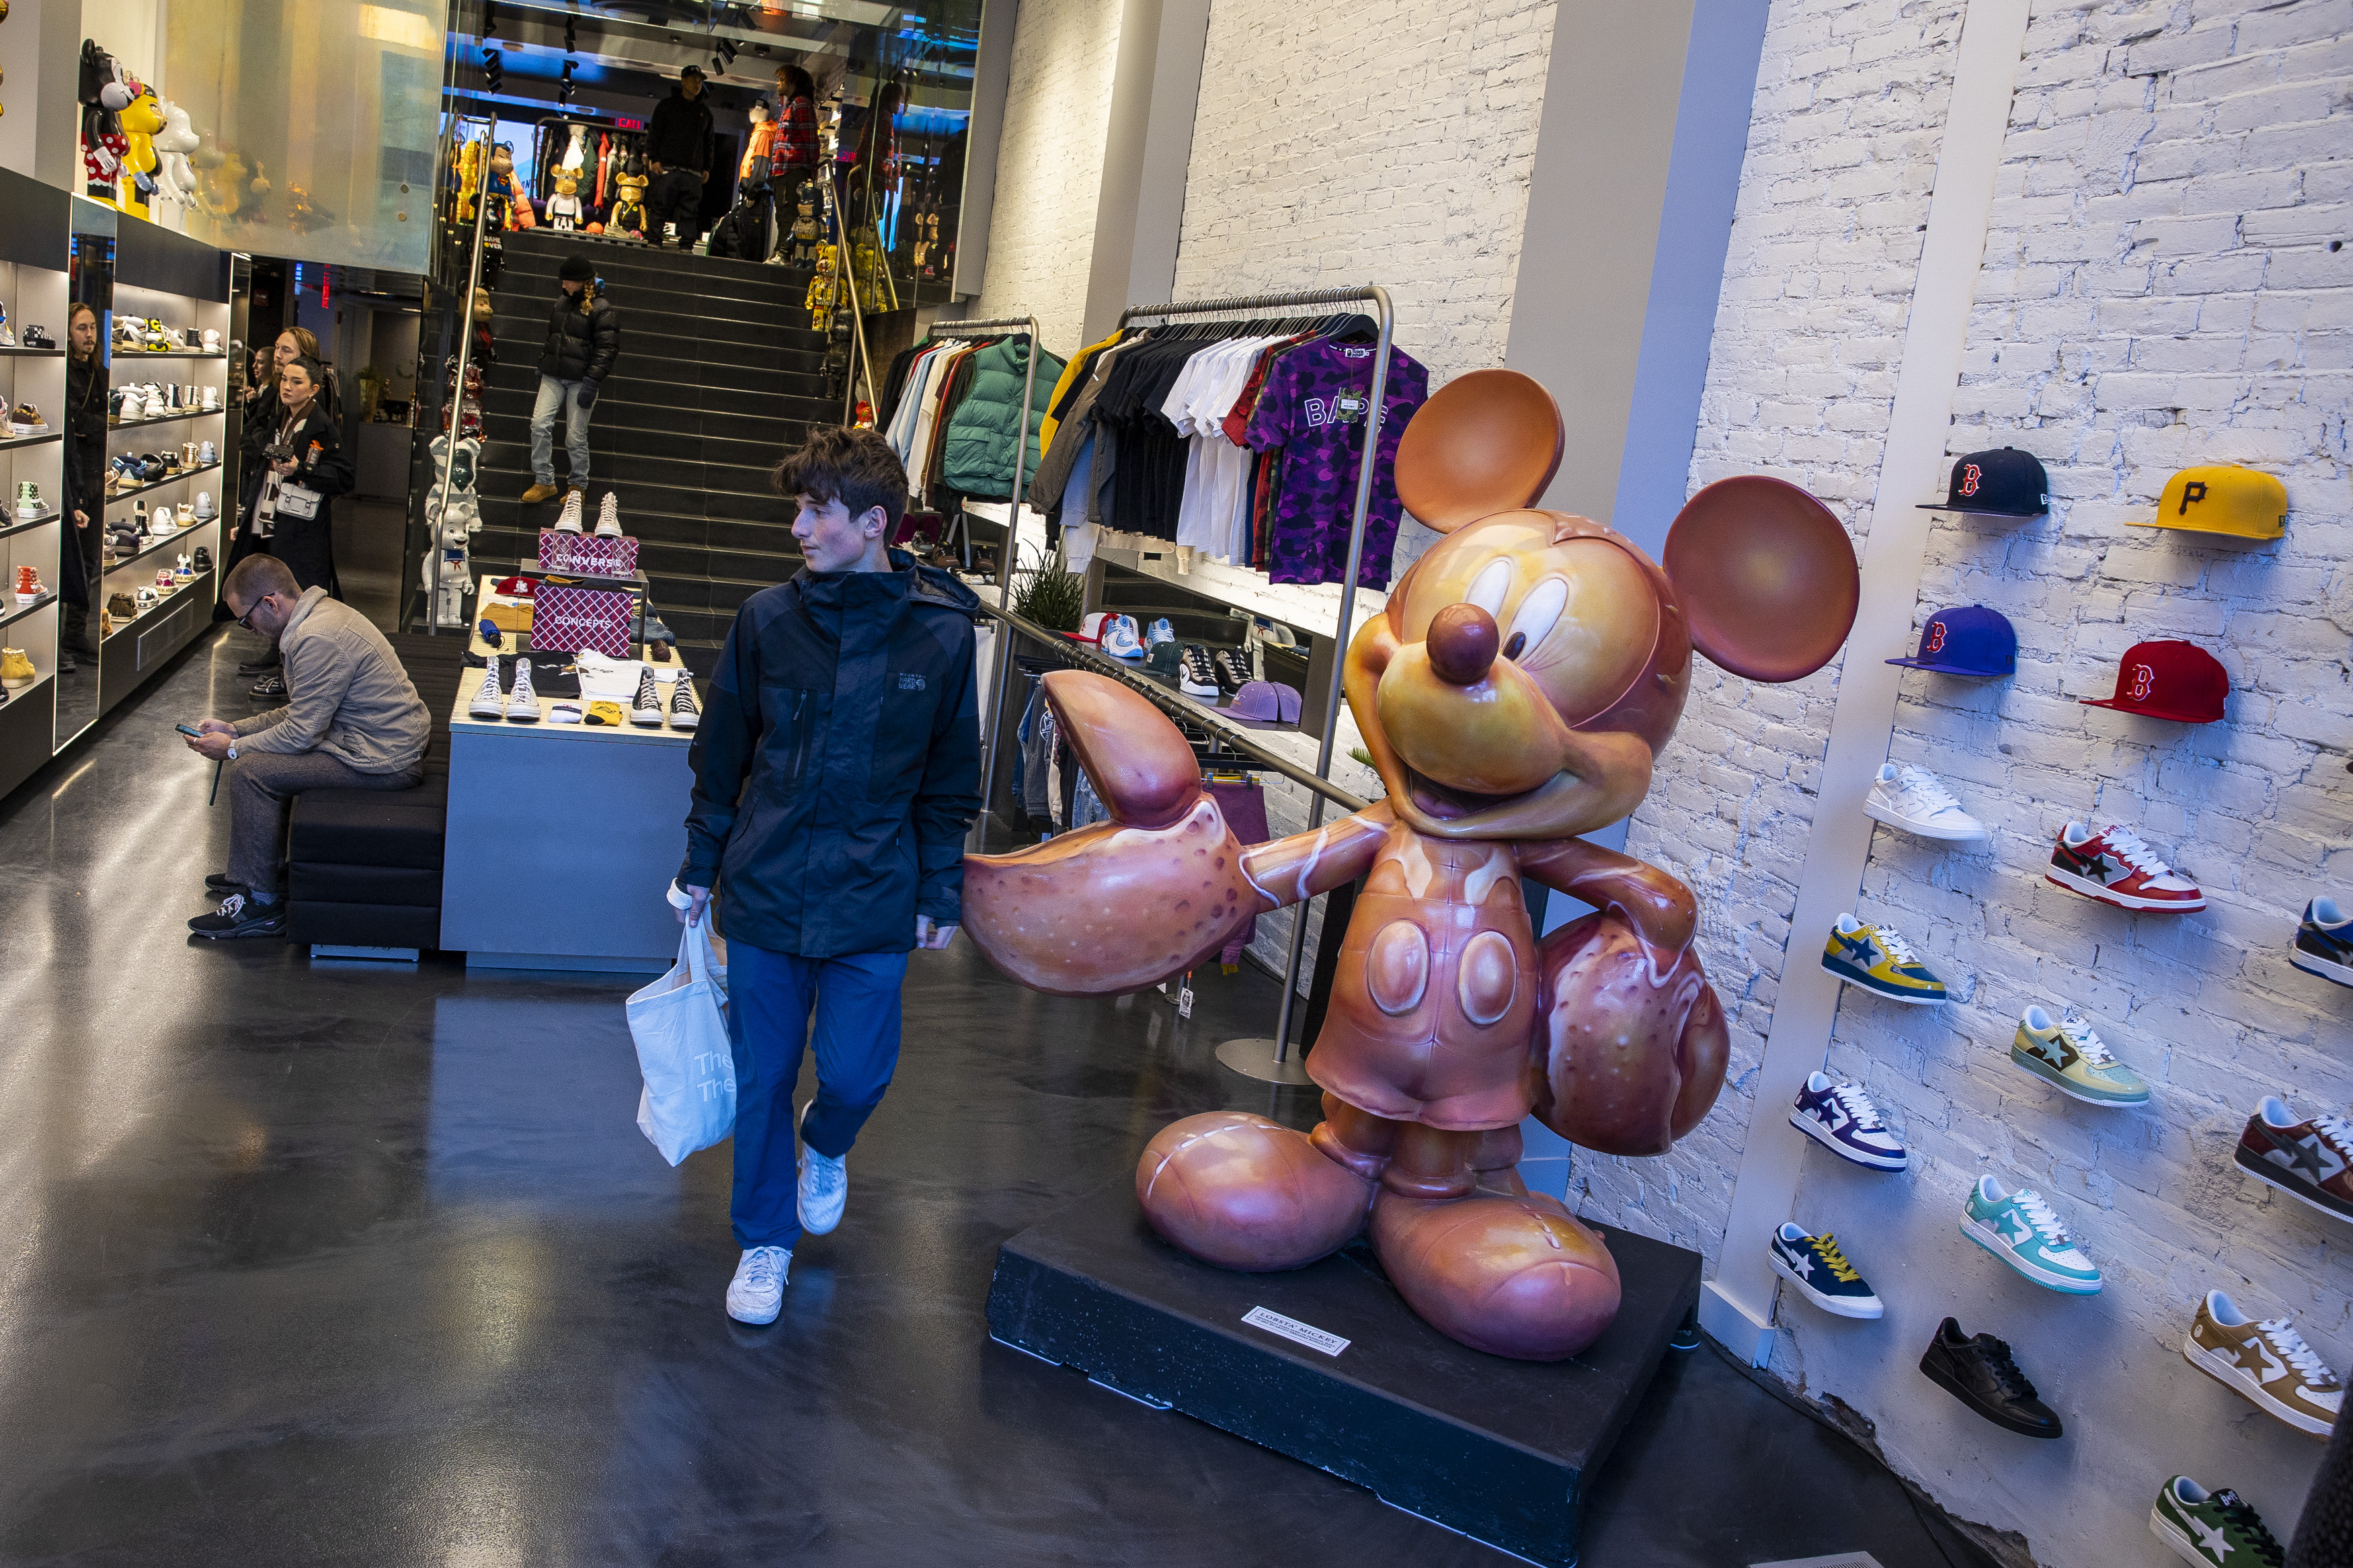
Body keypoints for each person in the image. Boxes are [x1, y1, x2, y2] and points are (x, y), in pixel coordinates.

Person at [676, 425, 982, 1326]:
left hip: (873, 894)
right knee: (763, 1077)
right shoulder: (766, 620)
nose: (798, 529)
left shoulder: (941, 637)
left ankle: (828, 1142)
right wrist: (700, 864)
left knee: (851, 1077)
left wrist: (939, 887)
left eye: (817, 511)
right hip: (767, 889)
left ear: (874, 522)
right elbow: (721, 755)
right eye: (798, 510)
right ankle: (763, 1244)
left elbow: (949, 781)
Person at [182, 553, 431, 940]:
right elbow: (301, 713)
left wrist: (233, 748)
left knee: (252, 771)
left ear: (270, 603)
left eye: (245, 620)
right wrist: (235, 728)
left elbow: (301, 734)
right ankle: (255, 872)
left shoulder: (317, 638)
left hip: (383, 760)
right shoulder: (320, 615)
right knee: (258, 758)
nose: (246, 630)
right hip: (370, 743)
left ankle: (261, 906)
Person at [225, 356, 353, 696]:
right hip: (270, 518)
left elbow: (344, 477)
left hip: (300, 529)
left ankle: (296, 677)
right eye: (284, 379)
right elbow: (252, 445)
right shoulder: (279, 418)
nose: (286, 386)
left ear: (313, 390)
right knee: (272, 597)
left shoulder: (322, 426)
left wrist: (302, 469)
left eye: (296, 382)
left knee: (298, 600)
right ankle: (283, 668)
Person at [519, 254, 619, 507]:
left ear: (580, 281)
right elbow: (552, 335)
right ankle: (544, 481)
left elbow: (607, 349)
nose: (563, 285)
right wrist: (544, 361)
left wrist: (591, 382)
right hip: (553, 375)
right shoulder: (563, 301)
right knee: (539, 424)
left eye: (567, 281)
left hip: (581, 381)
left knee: (575, 436)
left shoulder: (602, 308)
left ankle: (577, 487)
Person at [57, 302, 105, 671]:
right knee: (66, 558)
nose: (89, 335)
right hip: (72, 472)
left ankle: (74, 634)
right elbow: (72, 420)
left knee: (88, 557)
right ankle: (54, 639)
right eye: (81, 328)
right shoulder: (65, 373)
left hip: (95, 472)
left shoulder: (100, 374)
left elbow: (93, 421)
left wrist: (91, 423)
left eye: (92, 328)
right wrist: (97, 422)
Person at [643, 65, 715, 250]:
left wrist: (707, 167)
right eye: (693, 80)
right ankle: (653, 242)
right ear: (683, 80)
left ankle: (686, 247)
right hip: (668, 167)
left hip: (693, 172)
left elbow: (709, 143)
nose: (697, 84)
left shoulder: (705, 112)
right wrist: (654, 158)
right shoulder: (667, 106)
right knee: (660, 206)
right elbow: (654, 134)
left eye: (700, 81)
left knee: (690, 211)